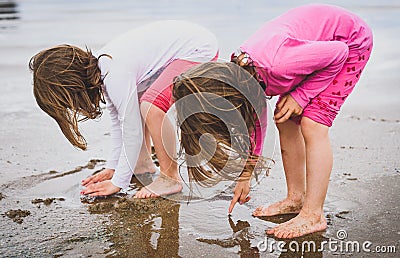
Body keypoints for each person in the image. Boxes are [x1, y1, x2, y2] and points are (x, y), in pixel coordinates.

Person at [172, 4, 373, 238]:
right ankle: (296, 198)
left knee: (313, 124)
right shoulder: (242, 74)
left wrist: (302, 95)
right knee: (284, 118)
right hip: (313, 50)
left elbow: (338, 52)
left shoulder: (277, 65)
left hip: (352, 43)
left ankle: (313, 214)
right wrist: (245, 176)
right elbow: (257, 122)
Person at [29, 20, 219, 198]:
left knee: (151, 106)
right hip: (189, 45)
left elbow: (132, 131)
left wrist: (118, 182)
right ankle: (142, 164)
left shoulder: (115, 73)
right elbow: (118, 122)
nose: (75, 108)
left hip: (197, 50)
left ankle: (170, 178)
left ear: (74, 88)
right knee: (136, 105)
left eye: (70, 103)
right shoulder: (104, 69)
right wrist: (113, 167)